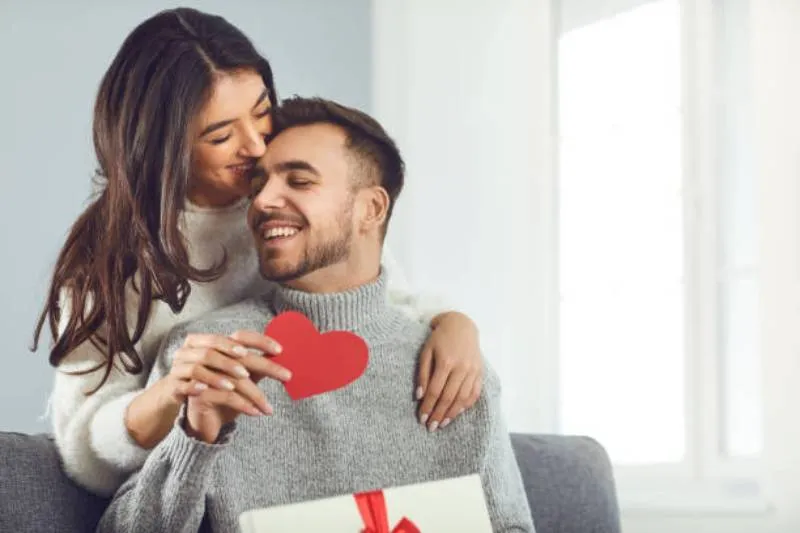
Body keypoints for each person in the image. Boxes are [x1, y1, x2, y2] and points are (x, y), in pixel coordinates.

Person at [33, 7, 484, 498]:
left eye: (262, 109)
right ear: (164, 146)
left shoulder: (294, 208)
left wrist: (453, 322)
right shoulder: (109, 262)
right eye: (220, 135)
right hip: (190, 486)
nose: (255, 144)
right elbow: (83, 450)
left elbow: (378, 301)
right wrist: (172, 395)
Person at [97, 96, 534, 533]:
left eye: (300, 182)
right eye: (258, 186)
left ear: (372, 209)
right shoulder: (207, 356)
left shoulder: (454, 368)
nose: (263, 201)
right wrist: (196, 436)